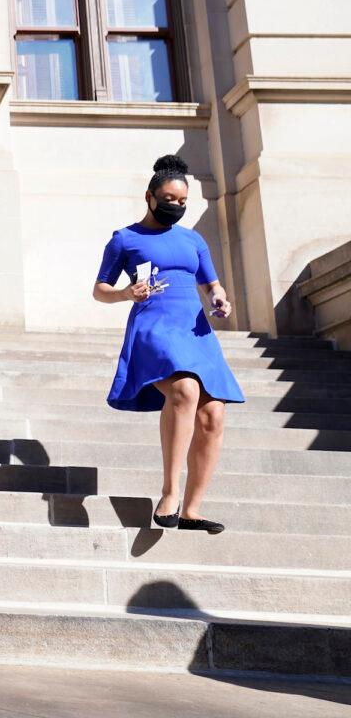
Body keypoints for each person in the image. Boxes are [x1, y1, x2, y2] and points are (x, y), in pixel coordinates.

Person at [92, 154, 245, 534]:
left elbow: (212, 284)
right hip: (154, 326)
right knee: (184, 389)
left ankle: (192, 509)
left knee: (214, 415)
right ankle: (170, 492)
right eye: (168, 199)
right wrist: (126, 293)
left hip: (195, 330)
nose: (174, 206)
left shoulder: (193, 240)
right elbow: (100, 290)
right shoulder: (124, 239)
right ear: (150, 196)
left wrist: (219, 299)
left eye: (181, 202)